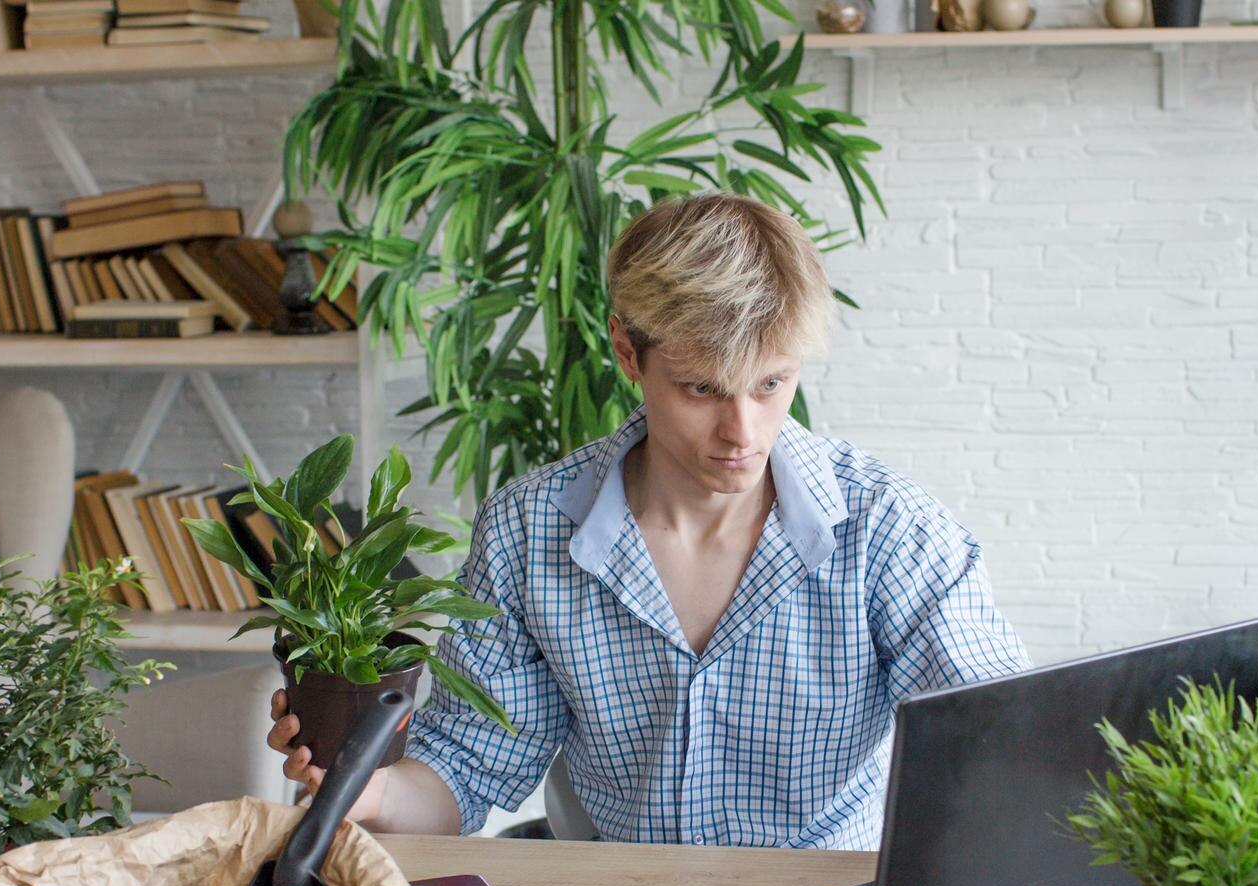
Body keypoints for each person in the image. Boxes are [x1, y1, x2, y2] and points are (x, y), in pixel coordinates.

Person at [266, 191, 1030, 849]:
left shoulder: (888, 528)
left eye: (772, 384)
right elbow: (465, 767)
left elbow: (997, 731)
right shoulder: (530, 533)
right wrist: (366, 797)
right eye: (703, 390)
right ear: (628, 354)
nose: (744, 433)